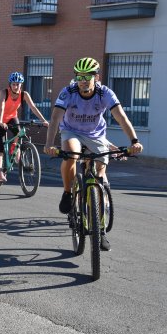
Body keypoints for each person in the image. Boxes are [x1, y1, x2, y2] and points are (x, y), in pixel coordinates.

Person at [43, 57, 144, 251]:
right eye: (79, 76)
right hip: (71, 131)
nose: (83, 80)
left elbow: (121, 116)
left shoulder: (104, 93)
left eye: (87, 76)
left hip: (96, 134)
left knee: (99, 173)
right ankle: (67, 192)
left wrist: (134, 141)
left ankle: (101, 232)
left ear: (96, 77)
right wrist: (49, 143)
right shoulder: (68, 92)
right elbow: (55, 117)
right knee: (71, 153)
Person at [0, 71, 49, 182]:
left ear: (21, 85)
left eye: (18, 84)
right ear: (10, 84)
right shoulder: (4, 92)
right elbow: (2, 106)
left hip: (12, 117)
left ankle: (14, 146)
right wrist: (0, 121)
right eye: (13, 84)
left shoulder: (24, 94)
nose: (16, 86)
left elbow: (33, 107)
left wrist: (43, 120)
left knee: (19, 131)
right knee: (0, 145)